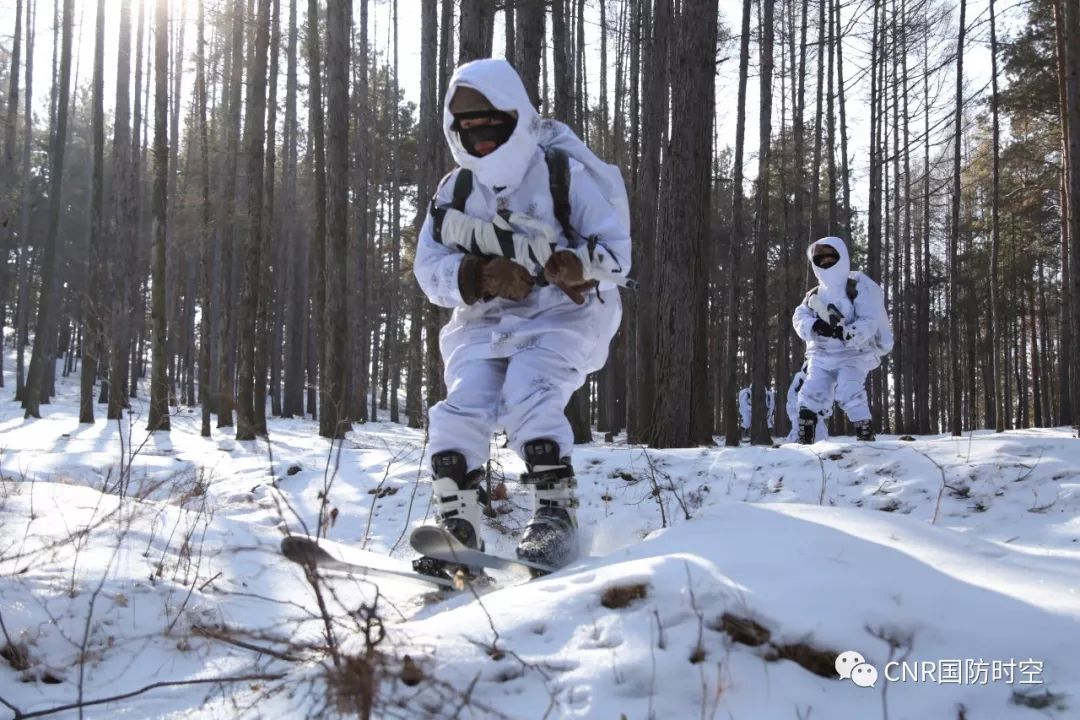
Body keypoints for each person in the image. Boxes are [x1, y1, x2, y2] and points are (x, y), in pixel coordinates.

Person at [412, 59, 630, 580]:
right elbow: (428, 266)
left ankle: (555, 514)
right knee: (461, 405)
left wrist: (578, 265)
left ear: (515, 118)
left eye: (492, 127)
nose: (481, 141)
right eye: (469, 130)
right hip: (485, 320)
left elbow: (617, 254)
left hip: (564, 315)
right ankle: (457, 525)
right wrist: (482, 275)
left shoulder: (562, 172)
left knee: (531, 390)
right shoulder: (455, 190)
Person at [792, 237, 892, 443]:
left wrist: (849, 333)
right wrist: (815, 326)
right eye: (821, 259)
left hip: (852, 354)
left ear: (842, 258)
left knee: (850, 391)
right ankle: (805, 440)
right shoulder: (814, 295)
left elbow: (869, 319)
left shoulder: (855, 289)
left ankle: (865, 435)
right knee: (811, 393)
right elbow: (799, 317)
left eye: (831, 258)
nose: (826, 263)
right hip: (820, 355)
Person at [785, 361, 830, 443]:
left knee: (820, 435)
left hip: (817, 415)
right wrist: (795, 414)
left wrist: (825, 411)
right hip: (800, 413)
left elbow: (827, 399)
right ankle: (792, 450)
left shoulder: (822, 381)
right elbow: (792, 397)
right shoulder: (800, 379)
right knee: (798, 431)